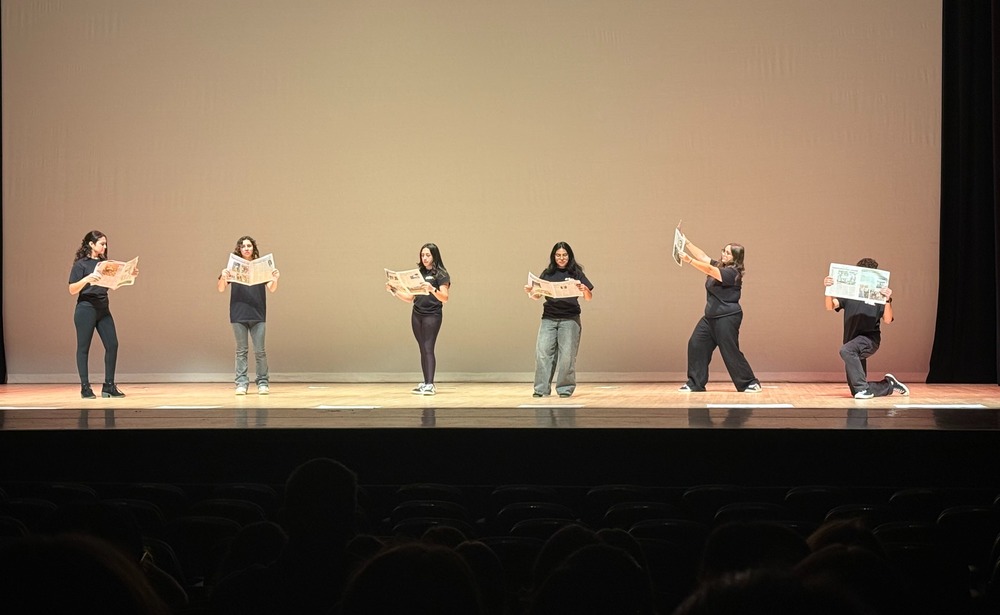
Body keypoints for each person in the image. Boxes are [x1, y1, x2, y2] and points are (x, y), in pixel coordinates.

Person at [678, 236, 762, 392]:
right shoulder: (721, 266)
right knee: (696, 344)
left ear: (735, 257)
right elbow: (702, 257)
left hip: (727, 317)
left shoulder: (732, 273)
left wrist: (688, 260)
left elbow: (709, 269)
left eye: (728, 253)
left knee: (730, 350)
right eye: (724, 250)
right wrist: (686, 242)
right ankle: (695, 383)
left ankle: (749, 382)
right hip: (710, 317)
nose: (724, 254)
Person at [823, 258, 908, 399]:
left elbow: (887, 320)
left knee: (846, 351)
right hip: (852, 341)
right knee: (856, 391)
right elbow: (829, 306)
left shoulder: (879, 297)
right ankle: (889, 385)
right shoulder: (850, 295)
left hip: (869, 339)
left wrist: (887, 299)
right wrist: (828, 289)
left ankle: (863, 389)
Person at [68, 230, 134, 399]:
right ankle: (85, 387)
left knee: (112, 344)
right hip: (86, 308)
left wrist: (128, 275)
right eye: (101, 244)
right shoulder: (81, 265)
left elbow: (113, 282)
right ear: (91, 244)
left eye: (105, 244)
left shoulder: (105, 263)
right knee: (83, 348)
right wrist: (86, 279)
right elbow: (72, 289)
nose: (105, 246)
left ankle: (109, 386)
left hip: (103, 308)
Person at [524, 242, 594, 398]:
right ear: (553, 256)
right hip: (549, 318)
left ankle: (565, 389)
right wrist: (531, 291)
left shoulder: (576, 273)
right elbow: (537, 296)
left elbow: (588, 298)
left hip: (570, 319)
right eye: (558, 255)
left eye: (564, 255)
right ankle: (541, 389)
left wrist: (585, 290)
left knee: (567, 356)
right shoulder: (547, 273)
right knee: (543, 353)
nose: (561, 258)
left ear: (569, 256)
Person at [218, 236, 279, 395]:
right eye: (243, 246)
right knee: (241, 350)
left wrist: (275, 278)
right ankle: (241, 383)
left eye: (249, 246)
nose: (246, 248)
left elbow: (272, 288)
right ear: (239, 248)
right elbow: (221, 288)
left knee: (260, 351)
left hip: (258, 314)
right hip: (239, 314)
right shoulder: (233, 266)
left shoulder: (261, 266)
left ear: (253, 248)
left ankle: (263, 382)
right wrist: (224, 276)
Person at [387, 243, 450, 395]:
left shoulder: (441, 275)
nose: (425, 258)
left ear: (434, 255)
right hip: (417, 314)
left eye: (428, 255)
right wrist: (394, 290)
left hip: (432, 315)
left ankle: (430, 384)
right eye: (422, 255)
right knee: (422, 348)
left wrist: (432, 289)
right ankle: (426, 381)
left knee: (428, 347)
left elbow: (445, 297)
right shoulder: (419, 273)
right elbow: (410, 298)